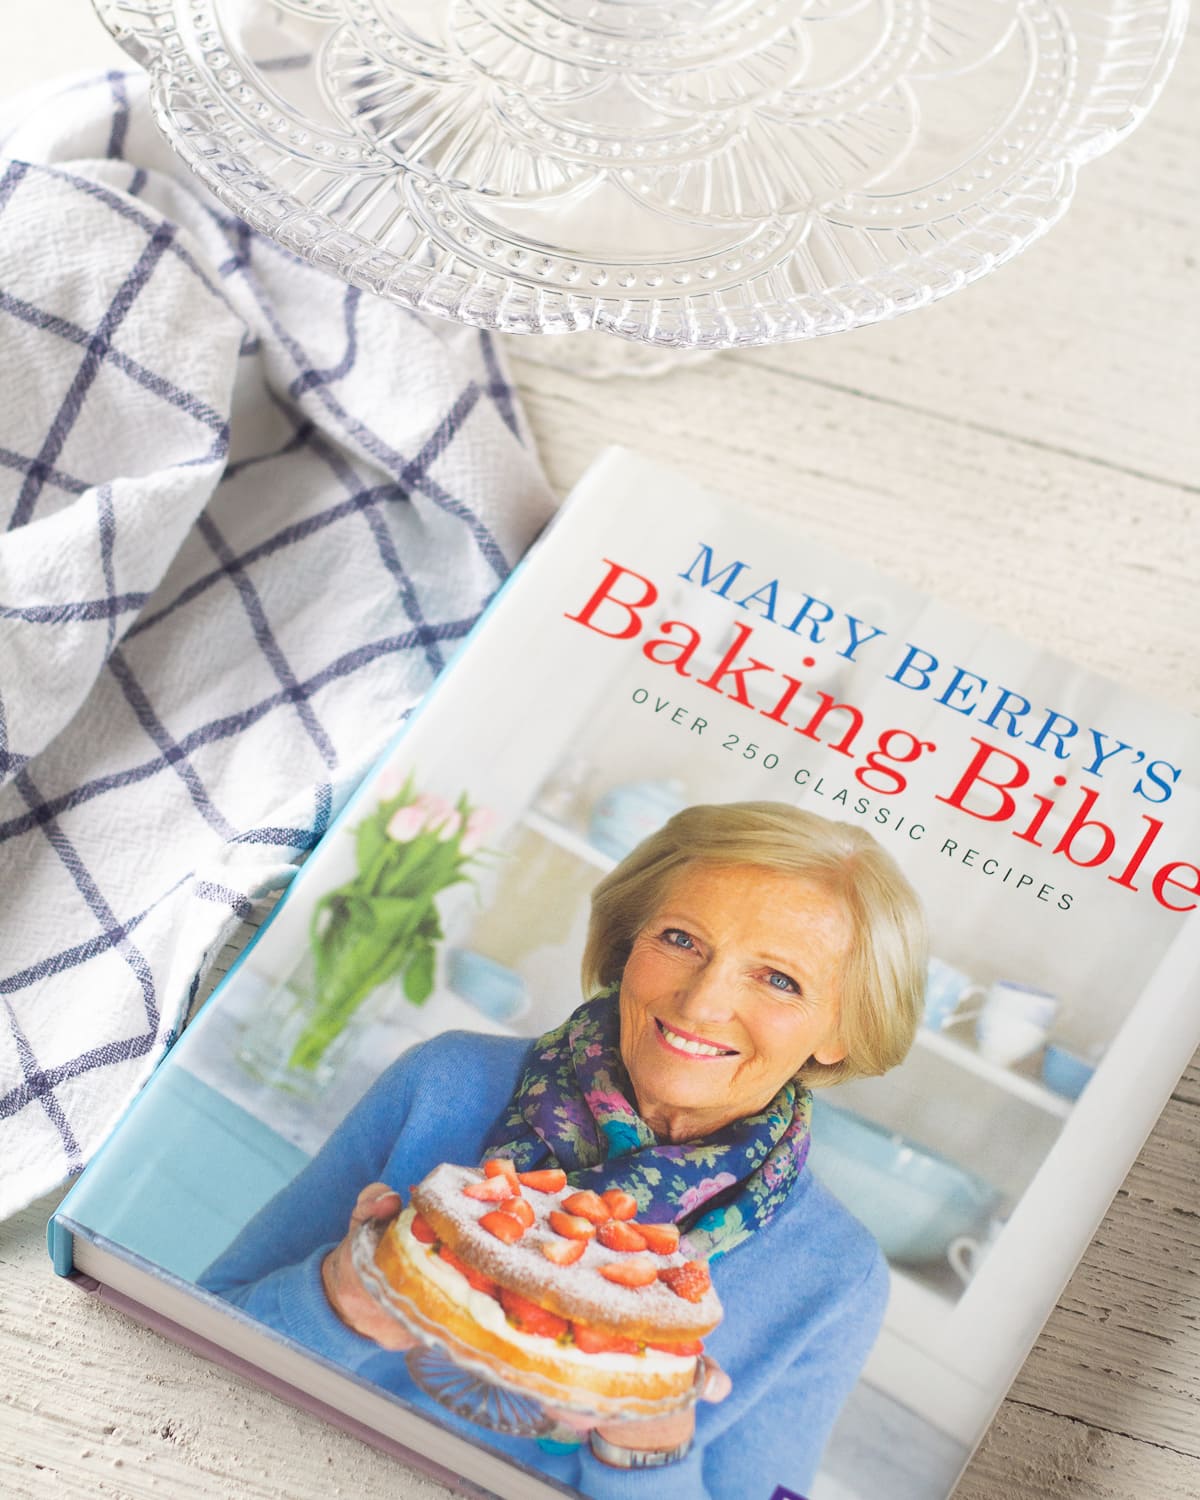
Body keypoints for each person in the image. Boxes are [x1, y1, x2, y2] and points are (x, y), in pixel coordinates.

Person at [201, 801, 927, 1498]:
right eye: (680, 940)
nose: (702, 1002)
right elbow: (201, 1325)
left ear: (841, 1031)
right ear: (626, 944)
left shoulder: (835, 1276)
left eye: (779, 979)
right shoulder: (448, 1084)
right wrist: (341, 1299)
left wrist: (648, 1448)